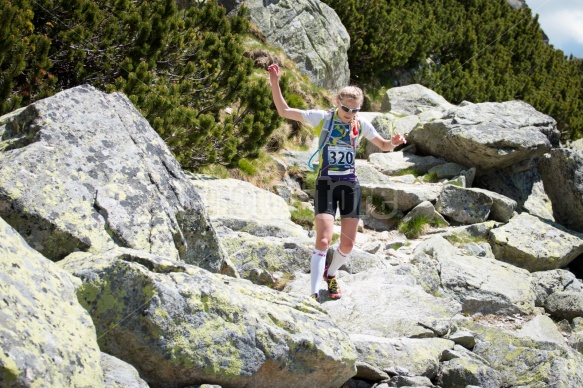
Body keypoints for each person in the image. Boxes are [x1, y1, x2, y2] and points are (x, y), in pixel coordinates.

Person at [267, 63, 406, 302]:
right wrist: (275, 82)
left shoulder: (360, 125)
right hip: (326, 183)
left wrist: (393, 142)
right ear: (337, 103)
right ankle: (312, 295)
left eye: (355, 110)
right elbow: (284, 110)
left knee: (348, 245)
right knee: (323, 239)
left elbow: (383, 145)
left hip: (350, 184)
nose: (350, 113)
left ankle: (330, 275)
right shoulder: (322, 118)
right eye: (345, 108)